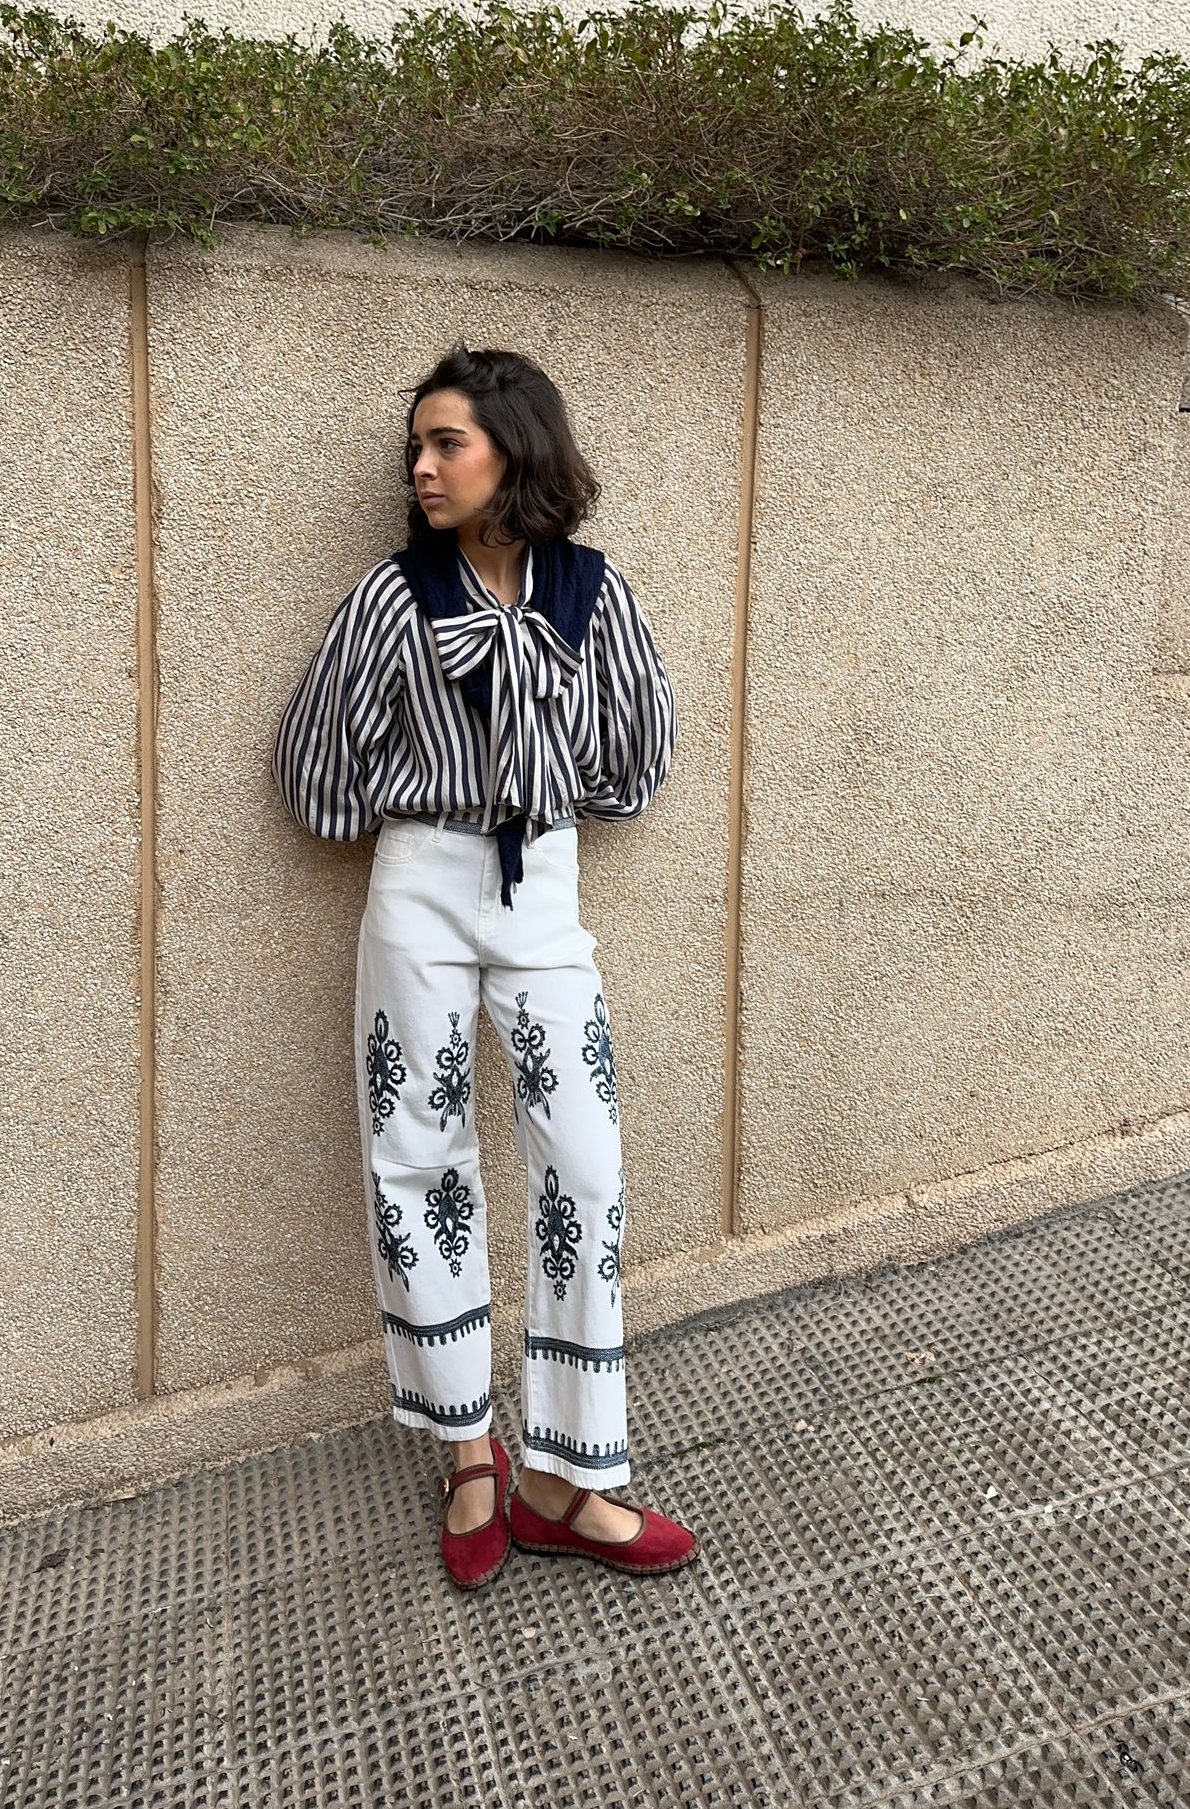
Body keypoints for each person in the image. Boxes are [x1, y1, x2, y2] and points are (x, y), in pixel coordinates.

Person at [273, 343, 700, 1589]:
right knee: (418, 1154)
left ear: (515, 447)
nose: (421, 465)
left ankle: (568, 1475)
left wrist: (540, 795)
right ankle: (470, 1450)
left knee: (584, 1156)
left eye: (445, 440)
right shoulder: (390, 599)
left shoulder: (592, 593)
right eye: (416, 445)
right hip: (418, 881)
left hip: (544, 887)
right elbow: (313, 767)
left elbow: (639, 753)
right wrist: (426, 809)